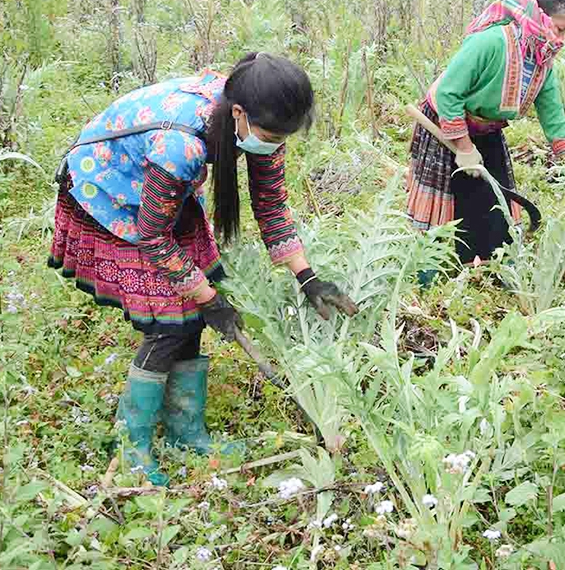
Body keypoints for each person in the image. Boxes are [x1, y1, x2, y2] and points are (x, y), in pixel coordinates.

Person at [48, 53, 356, 486]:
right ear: (238, 114)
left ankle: (185, 432)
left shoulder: (257, 121)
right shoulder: (183, 146)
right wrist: (210, 300)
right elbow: (153, 237)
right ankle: (132, 444)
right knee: (167, 322)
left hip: (160, 191)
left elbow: (270, 205)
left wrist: (307, 277)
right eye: (269, 136)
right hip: (110, 190)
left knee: (187, 314)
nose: (272, 144)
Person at [406, 0, 565, 265]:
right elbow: (448, 93)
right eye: (560, 29)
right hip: (446, 121)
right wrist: (464, 148)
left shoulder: (541, 61)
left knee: (493, 203)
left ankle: (486, 267)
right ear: (540, 18)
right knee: (448, 204)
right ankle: (436, 272)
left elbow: (555, 122)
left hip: (487, 128)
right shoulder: (489, 43)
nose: (562, 39)